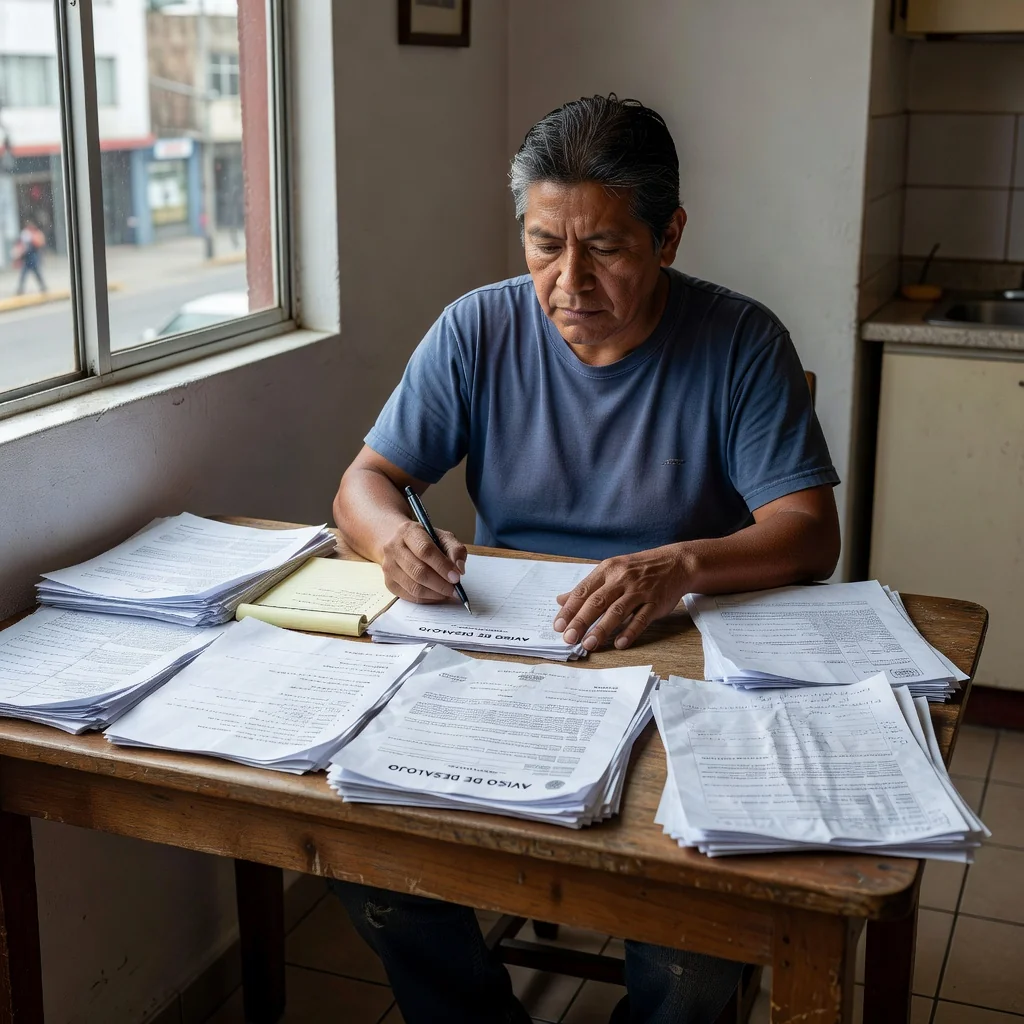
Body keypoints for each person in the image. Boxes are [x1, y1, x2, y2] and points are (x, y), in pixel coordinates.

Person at [330, 94, 840, 1024]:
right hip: (510, 664)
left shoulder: (740, 341)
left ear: (669, 235)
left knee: (693, 945)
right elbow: (367, 480)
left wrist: (680, 564)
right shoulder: (477, 328)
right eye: (542, 244)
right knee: (367, 861)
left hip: (680, 670)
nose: (568, 282)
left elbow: (809, 530)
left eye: (604, 248)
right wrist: (393, 537)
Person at [13, 220, 47, 295]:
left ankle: (21, 288)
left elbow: (38, 244)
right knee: (28, 273)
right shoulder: (27, 234)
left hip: (31, 256)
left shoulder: (33, 234)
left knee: (33, 272)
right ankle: (21, 288)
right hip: (29, 256)